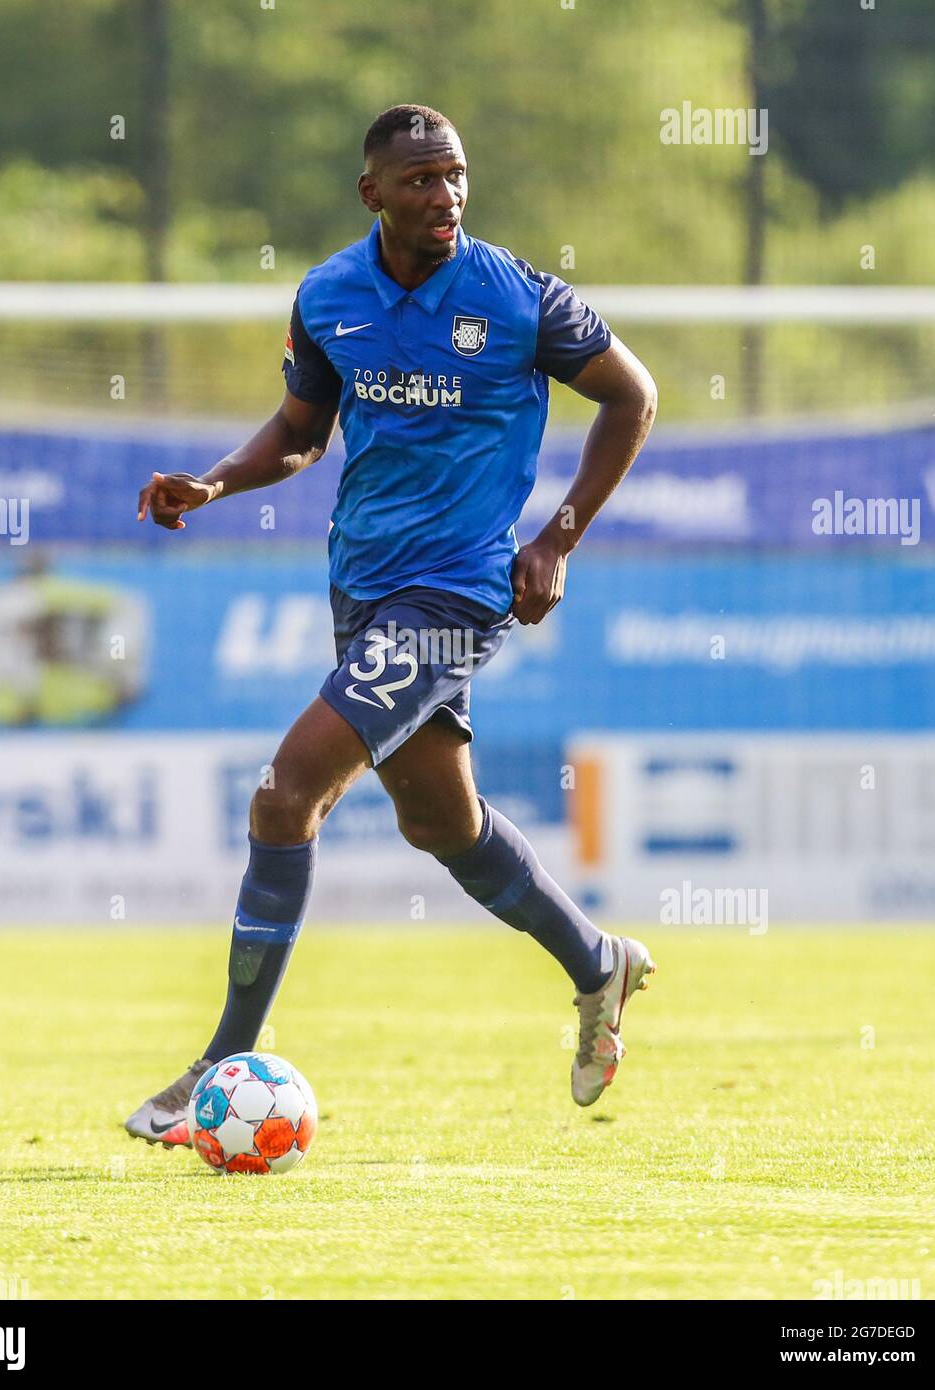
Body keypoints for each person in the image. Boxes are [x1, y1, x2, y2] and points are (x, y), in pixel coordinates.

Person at [127, 104, 658, 1148]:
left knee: (287, 794)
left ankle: (219, 1064)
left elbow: (630, 397)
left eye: (454, 176)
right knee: (440, 824)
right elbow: (297, 432)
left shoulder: (517, 297)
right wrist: (215, 482)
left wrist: (555, 537)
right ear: (372, 192)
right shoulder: (329, 296)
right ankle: (598, 962)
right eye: (418, 180)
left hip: (456, 592)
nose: (442, 196)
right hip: (360, 586)